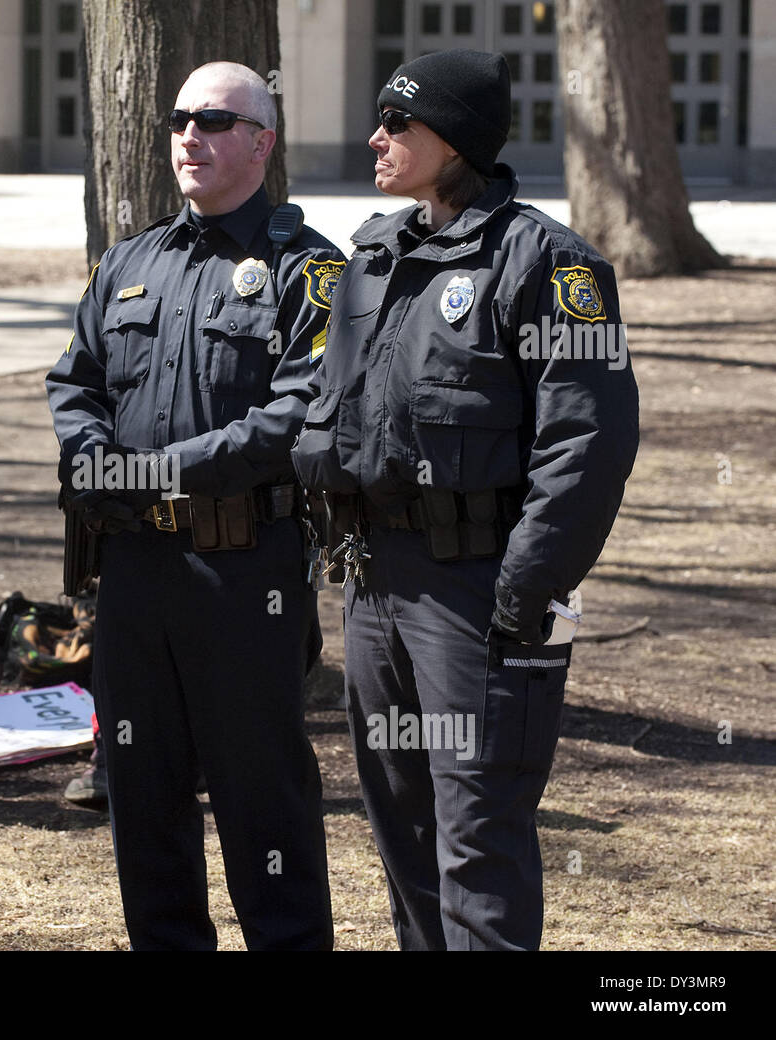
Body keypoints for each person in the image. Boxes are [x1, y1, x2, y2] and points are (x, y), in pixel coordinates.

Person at [291, 49, 639, 950]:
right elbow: (338, 413)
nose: (376, 137)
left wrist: (525, 592)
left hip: (477, 595)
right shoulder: (374, 256)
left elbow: (588, 444)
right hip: (375, 587)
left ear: (457, 142)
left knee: (477, 838)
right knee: (403, 832)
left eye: (399, 122)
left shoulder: (549, 265)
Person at [46, 61, 344, 950]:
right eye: (179, 119)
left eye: (214, 120)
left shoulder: (311, 271)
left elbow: (296, 415)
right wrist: (92, 457)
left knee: (263, 796)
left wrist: (156, 471)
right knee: (143, 788)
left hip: (244, 571)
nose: (190, 136)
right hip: (135, 573)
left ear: (262, 142)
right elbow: (75, 382)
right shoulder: (130, 261)